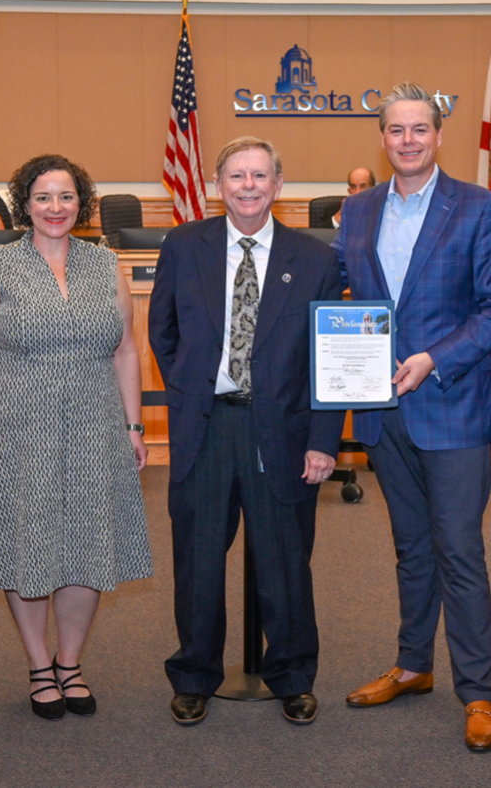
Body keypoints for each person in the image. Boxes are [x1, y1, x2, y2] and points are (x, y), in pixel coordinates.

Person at [333, 82, 491, 752]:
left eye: (420, 129)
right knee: (411, 550)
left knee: (460, 552)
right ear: (381, 138)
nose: (407, 140)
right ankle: (413, 665)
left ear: (438, 136)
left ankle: (479, 693)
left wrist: (433, 360)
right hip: (384, 415)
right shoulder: (355, 213)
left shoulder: (479, 208)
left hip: (453, 407)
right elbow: (336, 297)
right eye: (395, 130)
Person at [149, 136, 345, 727]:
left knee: (285, 560)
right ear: (218, 184)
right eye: (237, 176)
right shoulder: (185, 246)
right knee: (199, 559)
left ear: (278, 185)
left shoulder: (314, 258)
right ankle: (194, 675)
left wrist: (322, 440)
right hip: (206, 428)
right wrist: (189, 391)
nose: (249, 186)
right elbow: (164, 332)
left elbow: (327, 359)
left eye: (260, 175)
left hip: (281, 431)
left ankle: (290, 675)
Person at [0, 154, 152, 721]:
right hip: (17, 422)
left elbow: (126, 350)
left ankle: (71, 662)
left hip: (95, 420)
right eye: (43, 197)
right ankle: (39, 665)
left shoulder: (108, 265)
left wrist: (133, 425)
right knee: (28, 542)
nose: (55, 208)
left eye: (65, 197)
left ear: (80, 204)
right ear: (25, 204)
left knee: (89, 541)